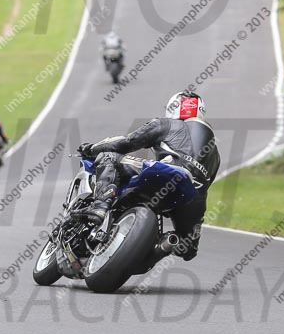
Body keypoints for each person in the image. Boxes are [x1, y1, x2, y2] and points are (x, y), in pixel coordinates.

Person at [76, 91, 220, 260]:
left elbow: (126, 142)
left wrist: (91, 149)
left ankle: (100, 206)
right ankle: (165, 245)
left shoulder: (166, 124)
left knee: (108, 157)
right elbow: (208, 181)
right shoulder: (215, 154)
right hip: (193, 198)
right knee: (187, 248)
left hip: (164, 173)